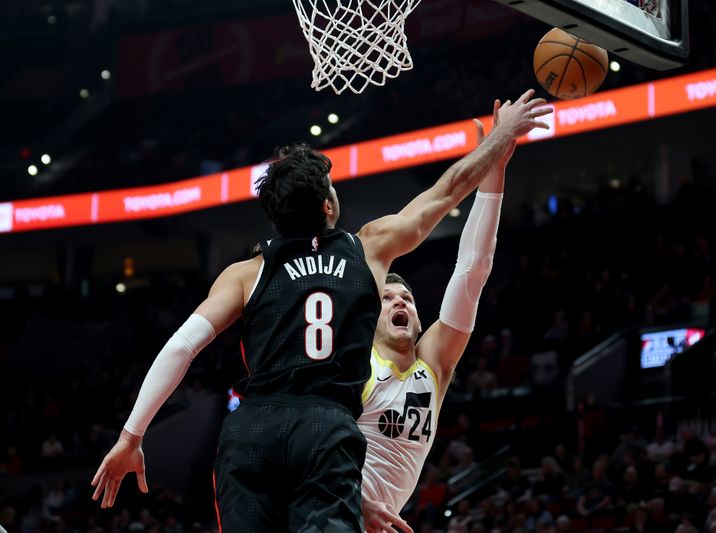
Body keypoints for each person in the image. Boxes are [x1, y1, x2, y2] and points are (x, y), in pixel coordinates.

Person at [90, 90, 552, 532]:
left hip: (252, 429)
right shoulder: (367, 248)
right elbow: (448, 190)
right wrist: (499, 139)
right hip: (323, 425)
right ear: (329, 205)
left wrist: (132, 435)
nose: (398, 302)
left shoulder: (245, 272)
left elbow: (182, 346)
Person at [357, 98, 553, 532]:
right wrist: (353, 502)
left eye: (405, 298)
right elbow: (313, 450)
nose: (400, 302)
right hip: (332, 513)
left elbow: (473, 268)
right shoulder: (356, 363)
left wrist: (494, 173)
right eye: (387, 299)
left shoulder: (435, 365)